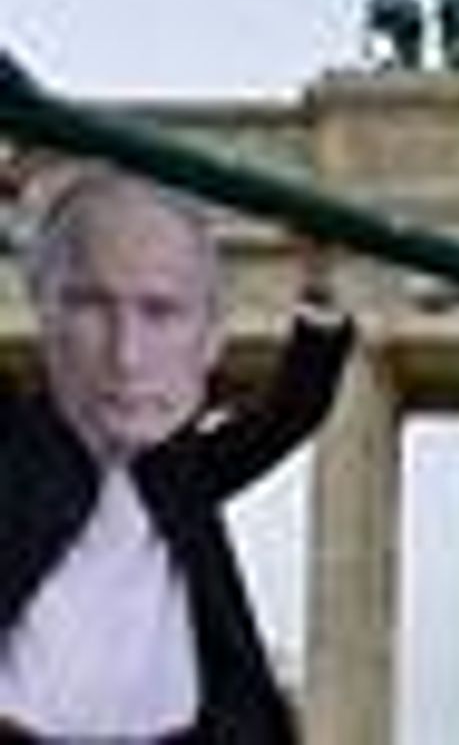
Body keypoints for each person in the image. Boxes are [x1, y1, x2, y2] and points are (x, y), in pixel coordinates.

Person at [0, 168, 355, 742]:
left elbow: (290, 414)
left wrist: (318, 288)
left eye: (159, 316)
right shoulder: (20, 444)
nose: (127, 358)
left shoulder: (183, 470)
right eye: (94, 311)